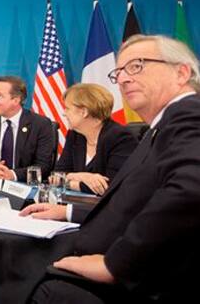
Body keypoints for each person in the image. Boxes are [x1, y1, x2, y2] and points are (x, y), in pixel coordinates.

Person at [21, 35, 200, 303]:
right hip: (102, 250)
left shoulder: (189, 112)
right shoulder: (158, 128)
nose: (124, 79)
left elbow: (191, 190)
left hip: (139, 281)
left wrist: (116, 264)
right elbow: (132, 204)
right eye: (119, 72)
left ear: (181, 72)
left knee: (14, 278)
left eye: (137, 66)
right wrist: (67, 211)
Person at [54, 83, 137, 195]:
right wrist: (82, 176)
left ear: (84, 112)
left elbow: (109, 186)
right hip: (76, 206)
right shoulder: (75, 135)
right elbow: (56, 176)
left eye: (67, 108)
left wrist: (69, 182)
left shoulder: (121, 138)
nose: (64, 114)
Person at [0, 76, 54, 181]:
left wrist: (12, 175)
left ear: (16, 100)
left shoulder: (40, 124)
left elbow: (43, 166)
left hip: (23, 186)